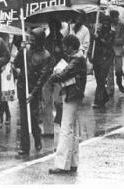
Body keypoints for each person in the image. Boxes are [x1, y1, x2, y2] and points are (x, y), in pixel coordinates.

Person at [47, 34, 87, 175]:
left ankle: (62, 164)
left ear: (71, 46)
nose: (63, 48)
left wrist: (53, 76)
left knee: (66, 129)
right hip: (74, 95)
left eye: (65, 46)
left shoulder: (77, 59)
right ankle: (72, 162)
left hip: (72, 95)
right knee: (72, 129)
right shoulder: (78, 58)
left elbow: (64, 74)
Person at [13, 27, 53, 156]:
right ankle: (25, 146)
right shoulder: (26, 50)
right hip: (22, 86)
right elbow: (17, 63)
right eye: (30, 40)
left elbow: (42, 78)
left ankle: (37, 137)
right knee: (24, 117)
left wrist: (33, 93)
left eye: (34, 40)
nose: (31, 42)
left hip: (34, 89)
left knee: (33, 117)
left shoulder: (46, 56)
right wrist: (21, 50)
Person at [42, 17, 65, 132]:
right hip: (47, 74)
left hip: (58, 74)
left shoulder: (62, 40)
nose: (53, 29)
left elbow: (66, 57)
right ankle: (48, 129)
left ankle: (60, 118)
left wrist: (59, 50)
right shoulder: (46, 40)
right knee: (47, 102)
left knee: (57, 101)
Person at [90, 14, 114, 108]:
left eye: (107, 23)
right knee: (98, 78)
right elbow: (93, 44)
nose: (105, 25)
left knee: (101, 79)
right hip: (97, 58)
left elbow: (108, 44)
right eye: (104, 23)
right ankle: (104, 96)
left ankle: (97, 100)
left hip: (106, 58)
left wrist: (99, 38)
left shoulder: (112, 33)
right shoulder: (98, 32)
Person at [110, 10, 124, 95]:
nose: (116, 18)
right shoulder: (108, 25)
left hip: (119, 50)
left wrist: (114, 41)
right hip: (109, 51)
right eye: (115, 17)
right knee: (110, 70)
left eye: (117, 16)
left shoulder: (121, 25)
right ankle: (110, 88)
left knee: (119, 69)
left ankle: (121, 84)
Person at [0, 33, 15, 129]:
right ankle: (7, 114)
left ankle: (0, 117)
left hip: (7, 72)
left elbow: (13, 59)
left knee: (4, 95)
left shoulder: (11, 47)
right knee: (1, 96)